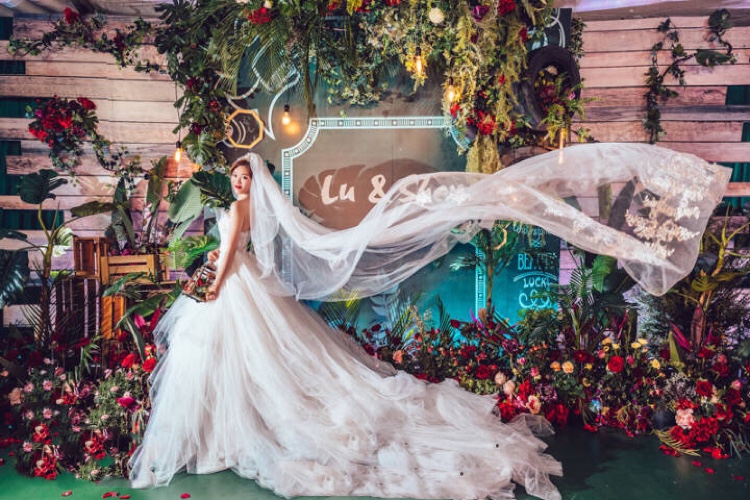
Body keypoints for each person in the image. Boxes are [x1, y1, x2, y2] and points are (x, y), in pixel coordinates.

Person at [129, 144, 731, 500]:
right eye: (236, 176)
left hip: (232, 289)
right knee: (246, 365)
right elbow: (237, 252)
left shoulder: (238, 210)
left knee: (242, 363)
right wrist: (216, 275)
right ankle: (221, 435)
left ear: (251, 182)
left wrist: (210, 285)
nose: (239, 182)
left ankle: (216, 438)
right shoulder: (246, 207)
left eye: (244, 176)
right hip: (240, 287)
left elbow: (229, 255)